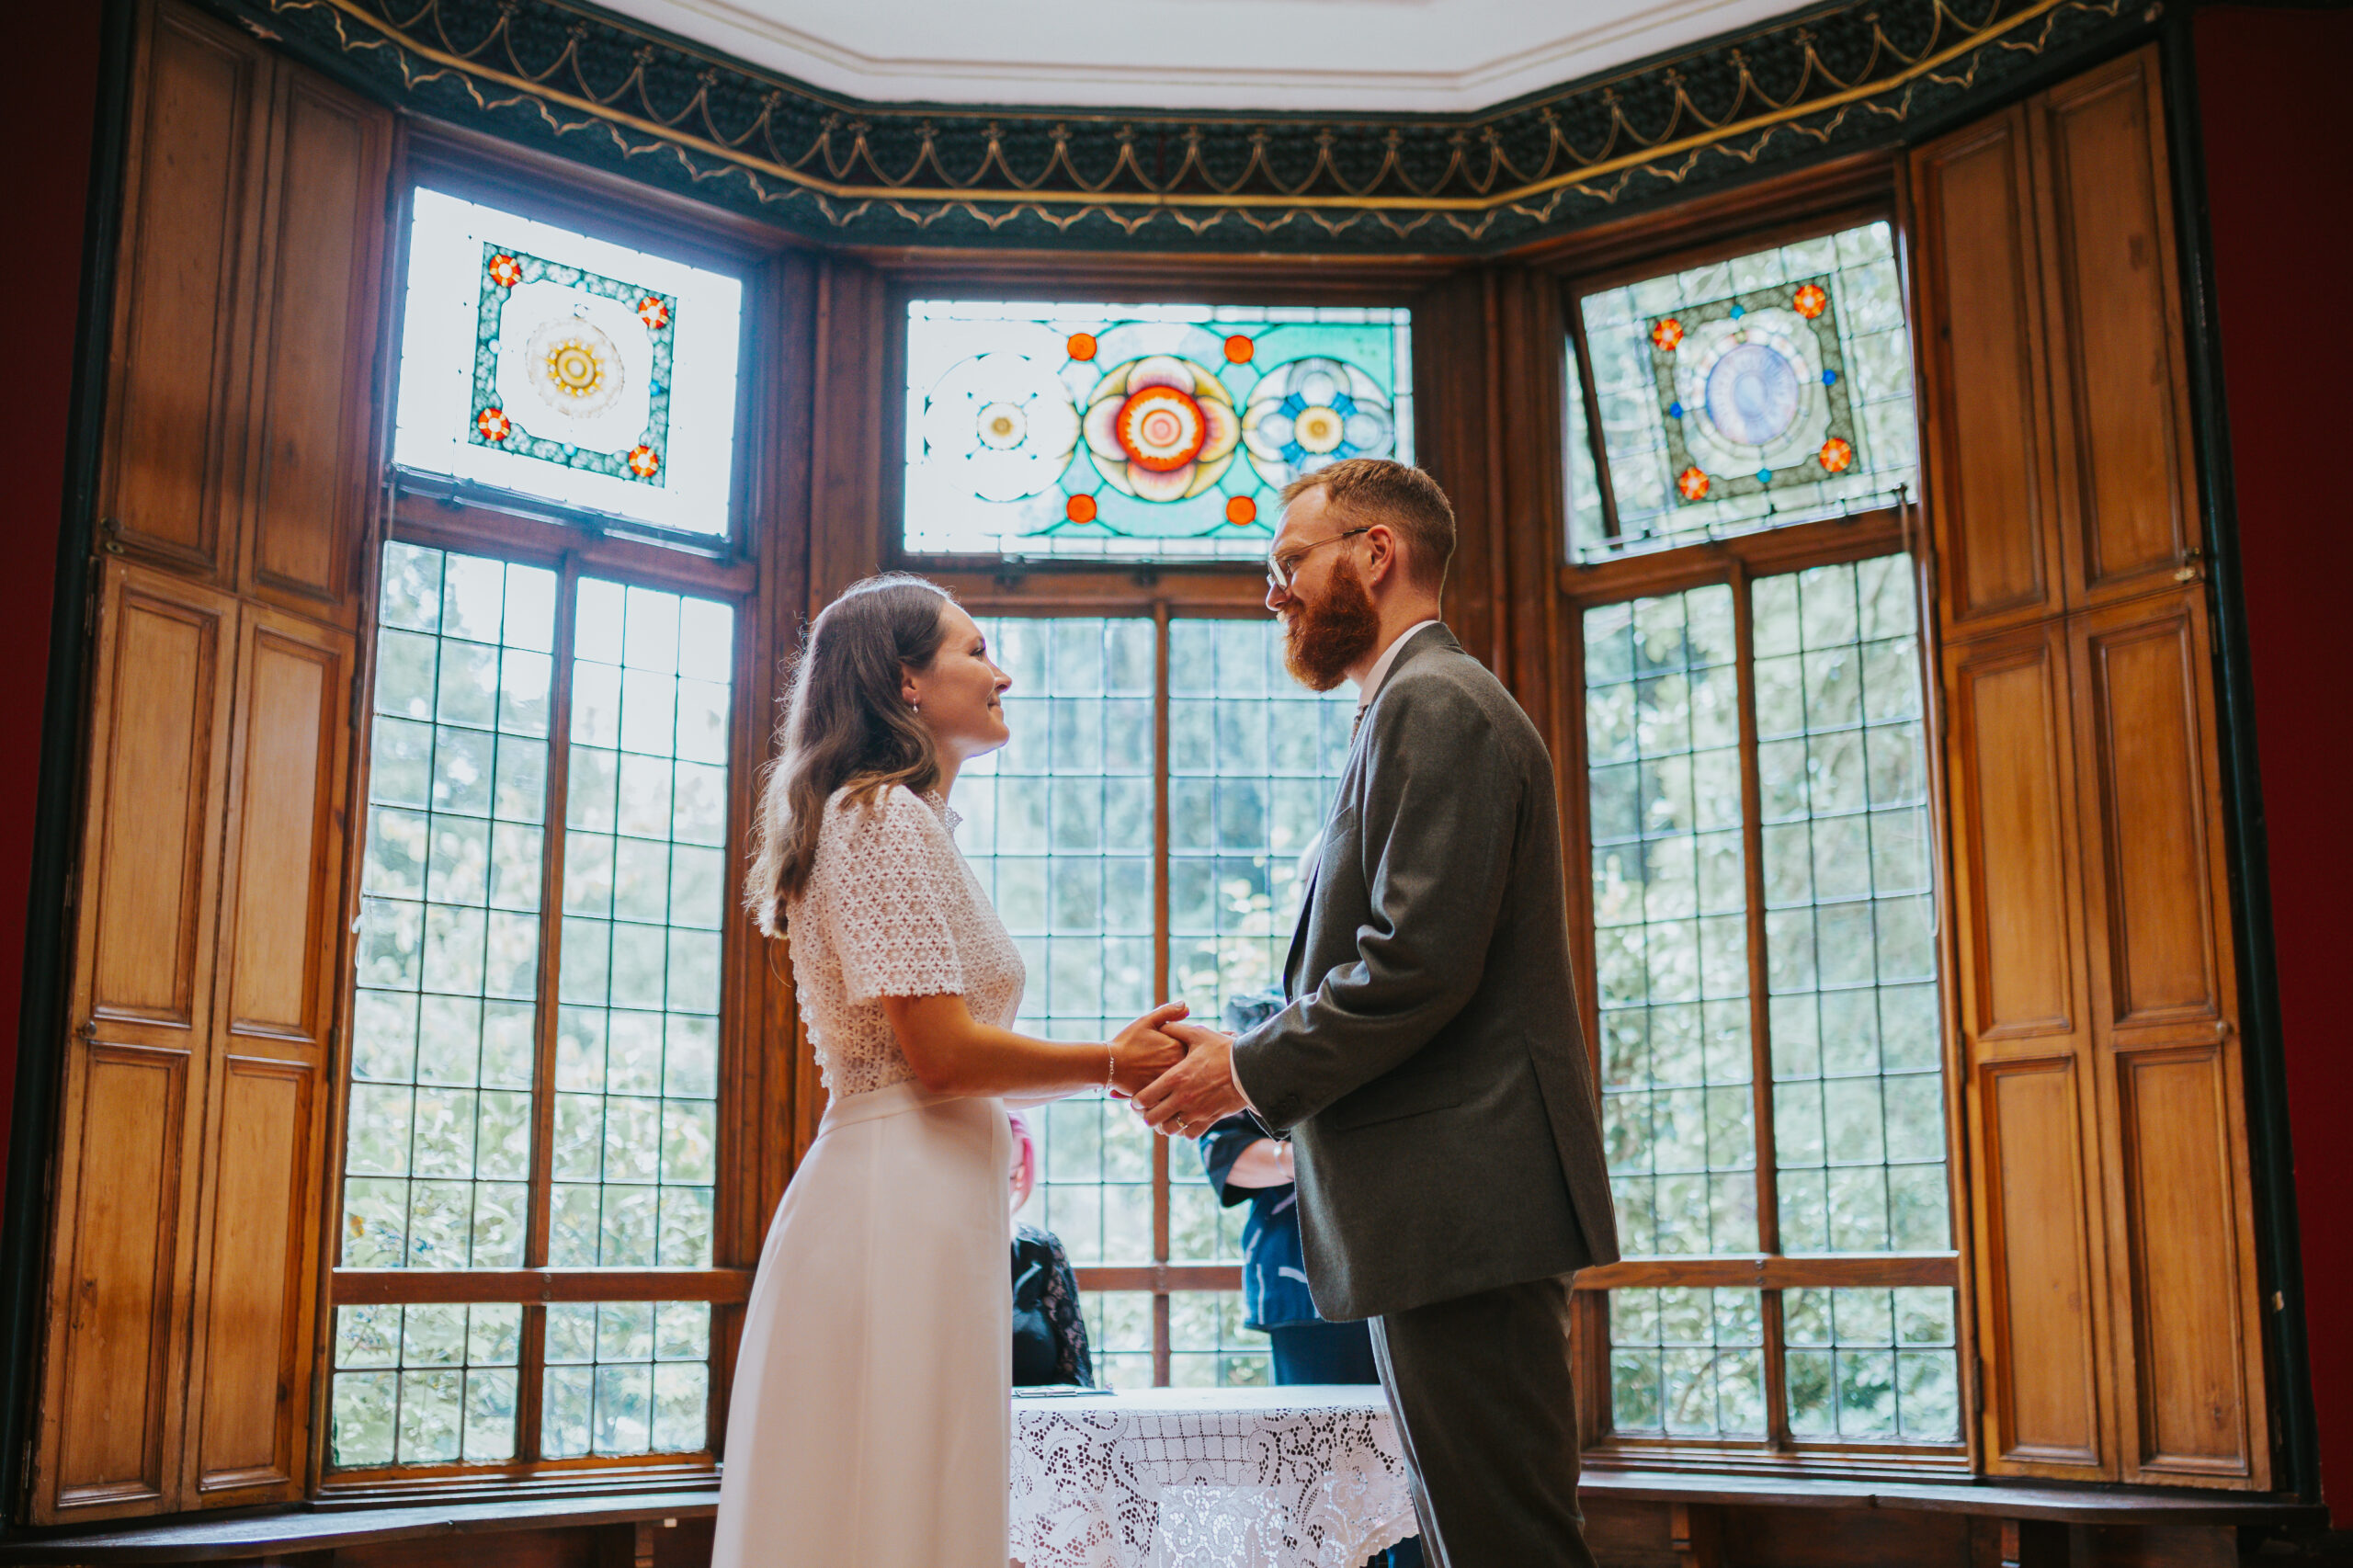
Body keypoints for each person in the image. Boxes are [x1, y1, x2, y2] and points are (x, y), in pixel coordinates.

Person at [1131, 459, 1622, 1568]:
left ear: (1375, 552)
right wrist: (1243, 1057)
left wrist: (1246, 1073)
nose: (1273, 592)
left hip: (1466, 1211)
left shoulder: (1436, 703)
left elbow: (1412, 966)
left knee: (1506, 1545)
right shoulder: (1403, 705)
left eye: (1288, 561)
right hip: (1440, 1216)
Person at [715, 574, 1190, 1568]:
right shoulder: (876, 817)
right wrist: (1112, 1058)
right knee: (889, 1494)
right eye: (976, 649)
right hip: (896, 1201)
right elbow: (937, 1058)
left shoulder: (908, 825)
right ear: (907, 682)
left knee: (923, 1488)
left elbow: (952, 1060)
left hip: (931, 1194)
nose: (1001, 670)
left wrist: (1120, 1069)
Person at [1198, 994, 1425, 1568]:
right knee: (1315, 1461)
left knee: (1406, 1456)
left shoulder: (1382, 1033)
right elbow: (1225, 1155)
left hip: (1401, 1271)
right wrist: (1305, 1158)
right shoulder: (1246, 1043)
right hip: (1298, 1283)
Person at [1008, 1111, 1091, 1387]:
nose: (1001, 1191)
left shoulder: (1041, 1251)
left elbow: (1077, 1371)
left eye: (1011, 1177)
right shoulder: (933, 1254)